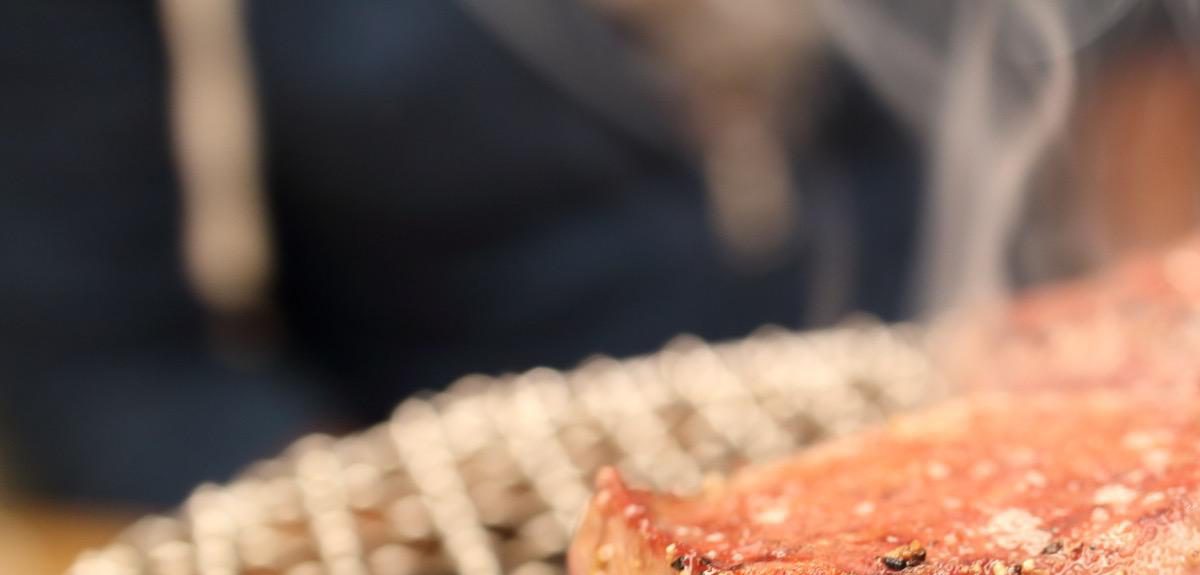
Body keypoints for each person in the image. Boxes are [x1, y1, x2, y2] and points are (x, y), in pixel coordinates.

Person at [0, 0, 920, 507]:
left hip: (934, 414)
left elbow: (1047, 81)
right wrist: (433, 560)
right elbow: (111, 371)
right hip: (488, 510)